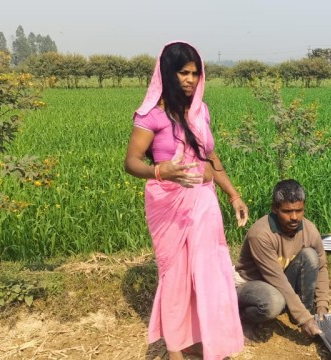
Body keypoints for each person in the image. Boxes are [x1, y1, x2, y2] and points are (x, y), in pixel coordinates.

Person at [123, 41, 247, 359]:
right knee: (175, 276)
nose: (191, 80)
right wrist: (160, 170)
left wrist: (233, 195)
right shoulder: (152, 115)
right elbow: (132, 161)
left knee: (210, 272)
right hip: (168, 205)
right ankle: (176, 349)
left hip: (203, 202)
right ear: (168, 72)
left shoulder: (199, 110)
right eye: (183, 72)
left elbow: (211, 156)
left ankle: (210, 340)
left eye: (195, 73)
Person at [235, 179, 329, 338]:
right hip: (249, 283)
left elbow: (321, 267)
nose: (294, 217)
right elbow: (277, 279)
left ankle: (300, 312)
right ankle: (242, 319)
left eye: (299, 210)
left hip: (279, 279)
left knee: (311, 256)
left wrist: (322, 306)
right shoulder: (261, 235)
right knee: (274, 302)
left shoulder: (309, 230)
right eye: (287, 211)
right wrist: (305, 319)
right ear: (274, 208)